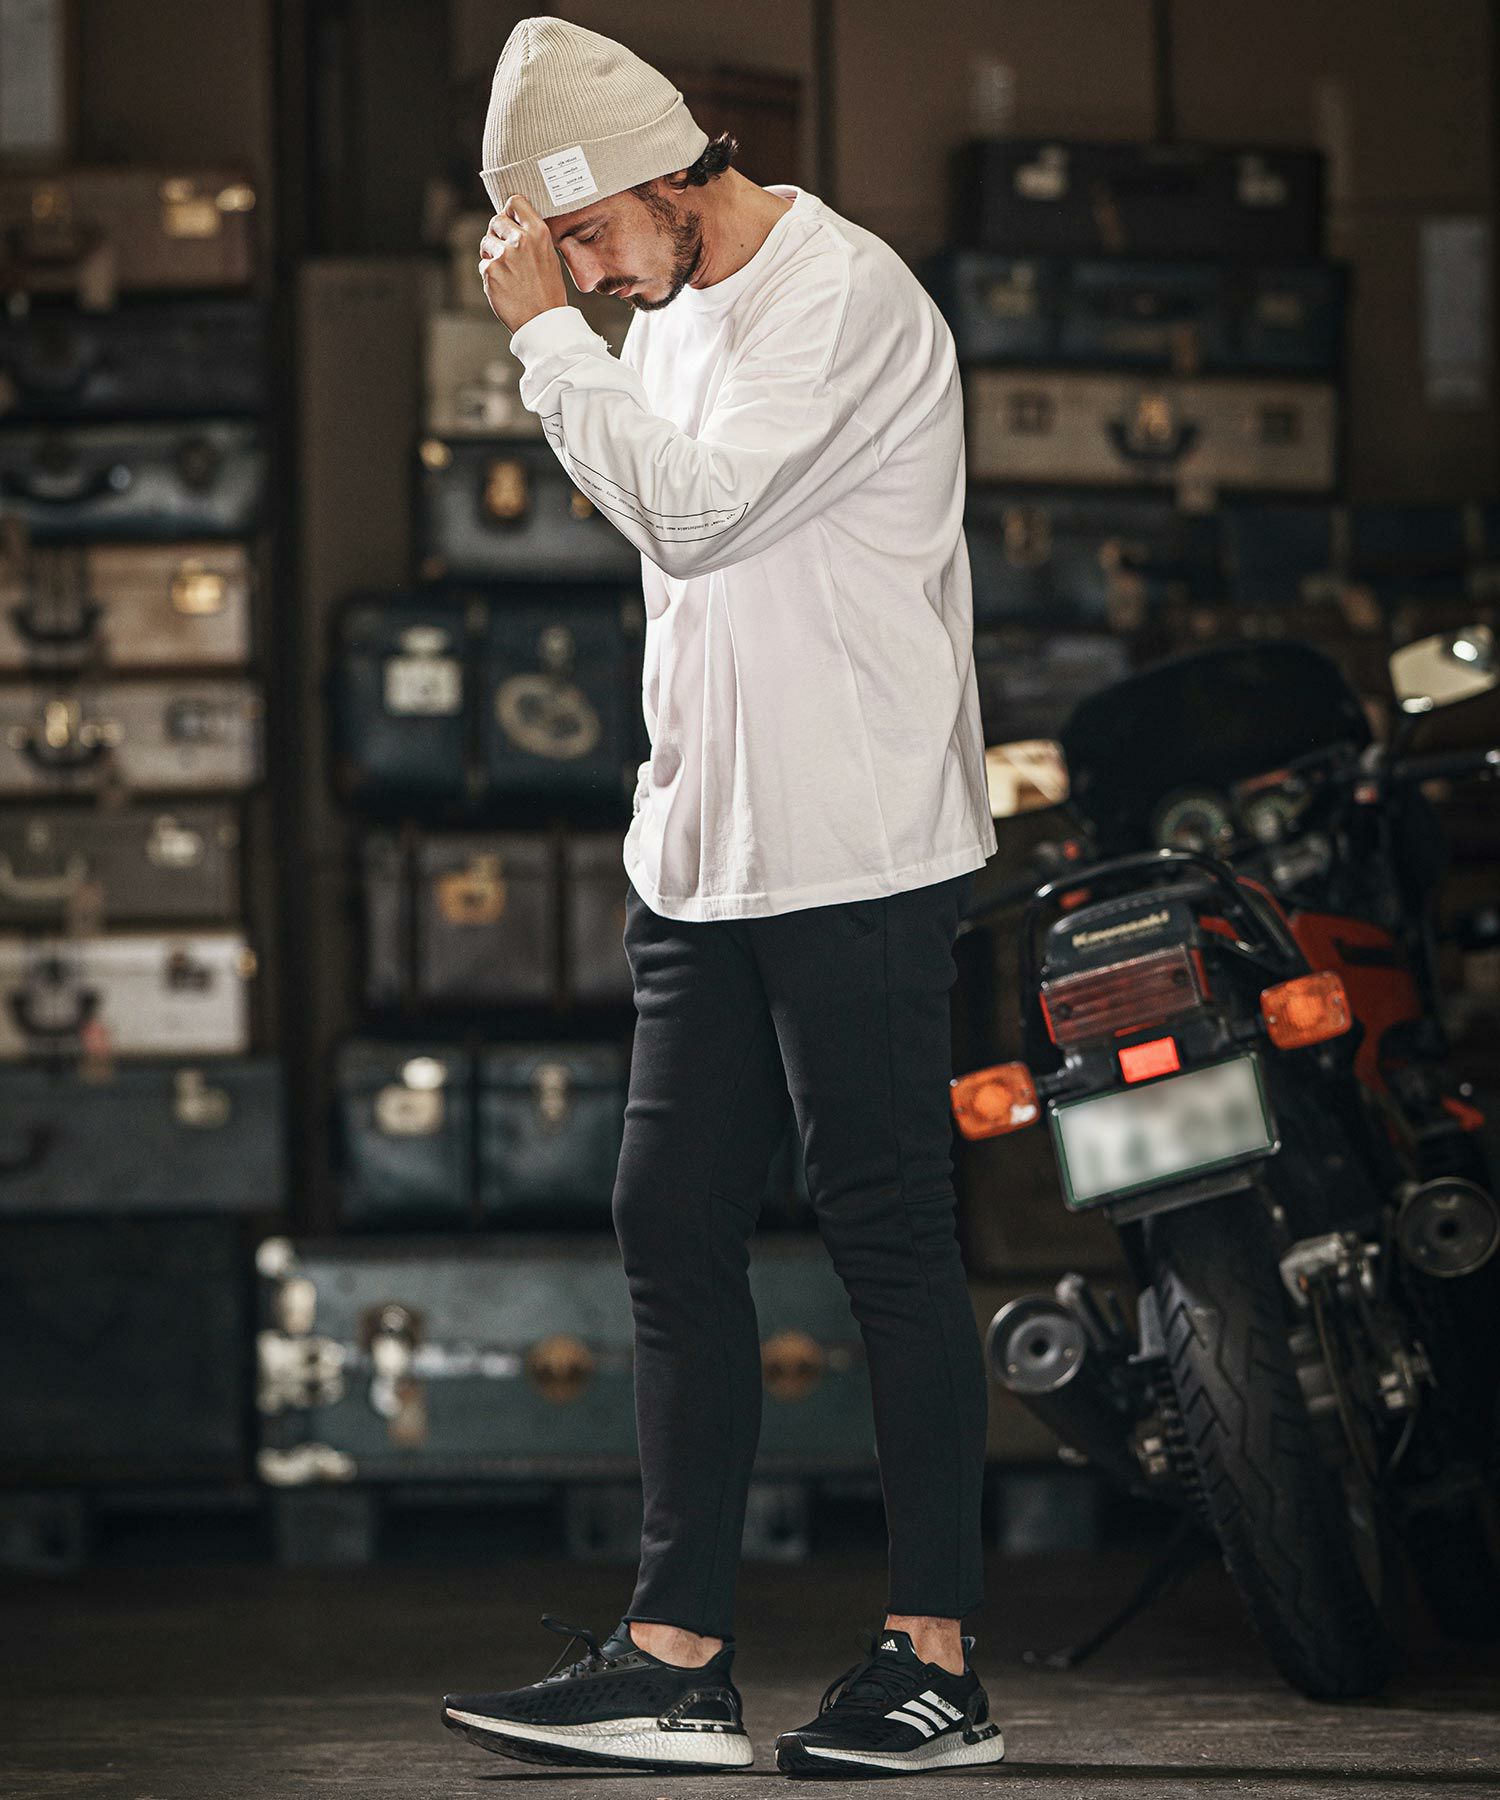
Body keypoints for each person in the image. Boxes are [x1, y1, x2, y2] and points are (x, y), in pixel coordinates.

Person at [440, 14, 1002, 1779]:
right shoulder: (667, 316)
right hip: (701, 852)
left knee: (885, 1228)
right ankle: (675, 1659)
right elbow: (676, 559)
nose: (593, 278)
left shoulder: (842, 299)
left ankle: (938, 1666)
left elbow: (691, 520)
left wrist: (544, 339)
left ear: (672, 175)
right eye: (564, 259)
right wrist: (583, 338)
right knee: (667, 1222)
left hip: (855, 843)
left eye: (594, 238)